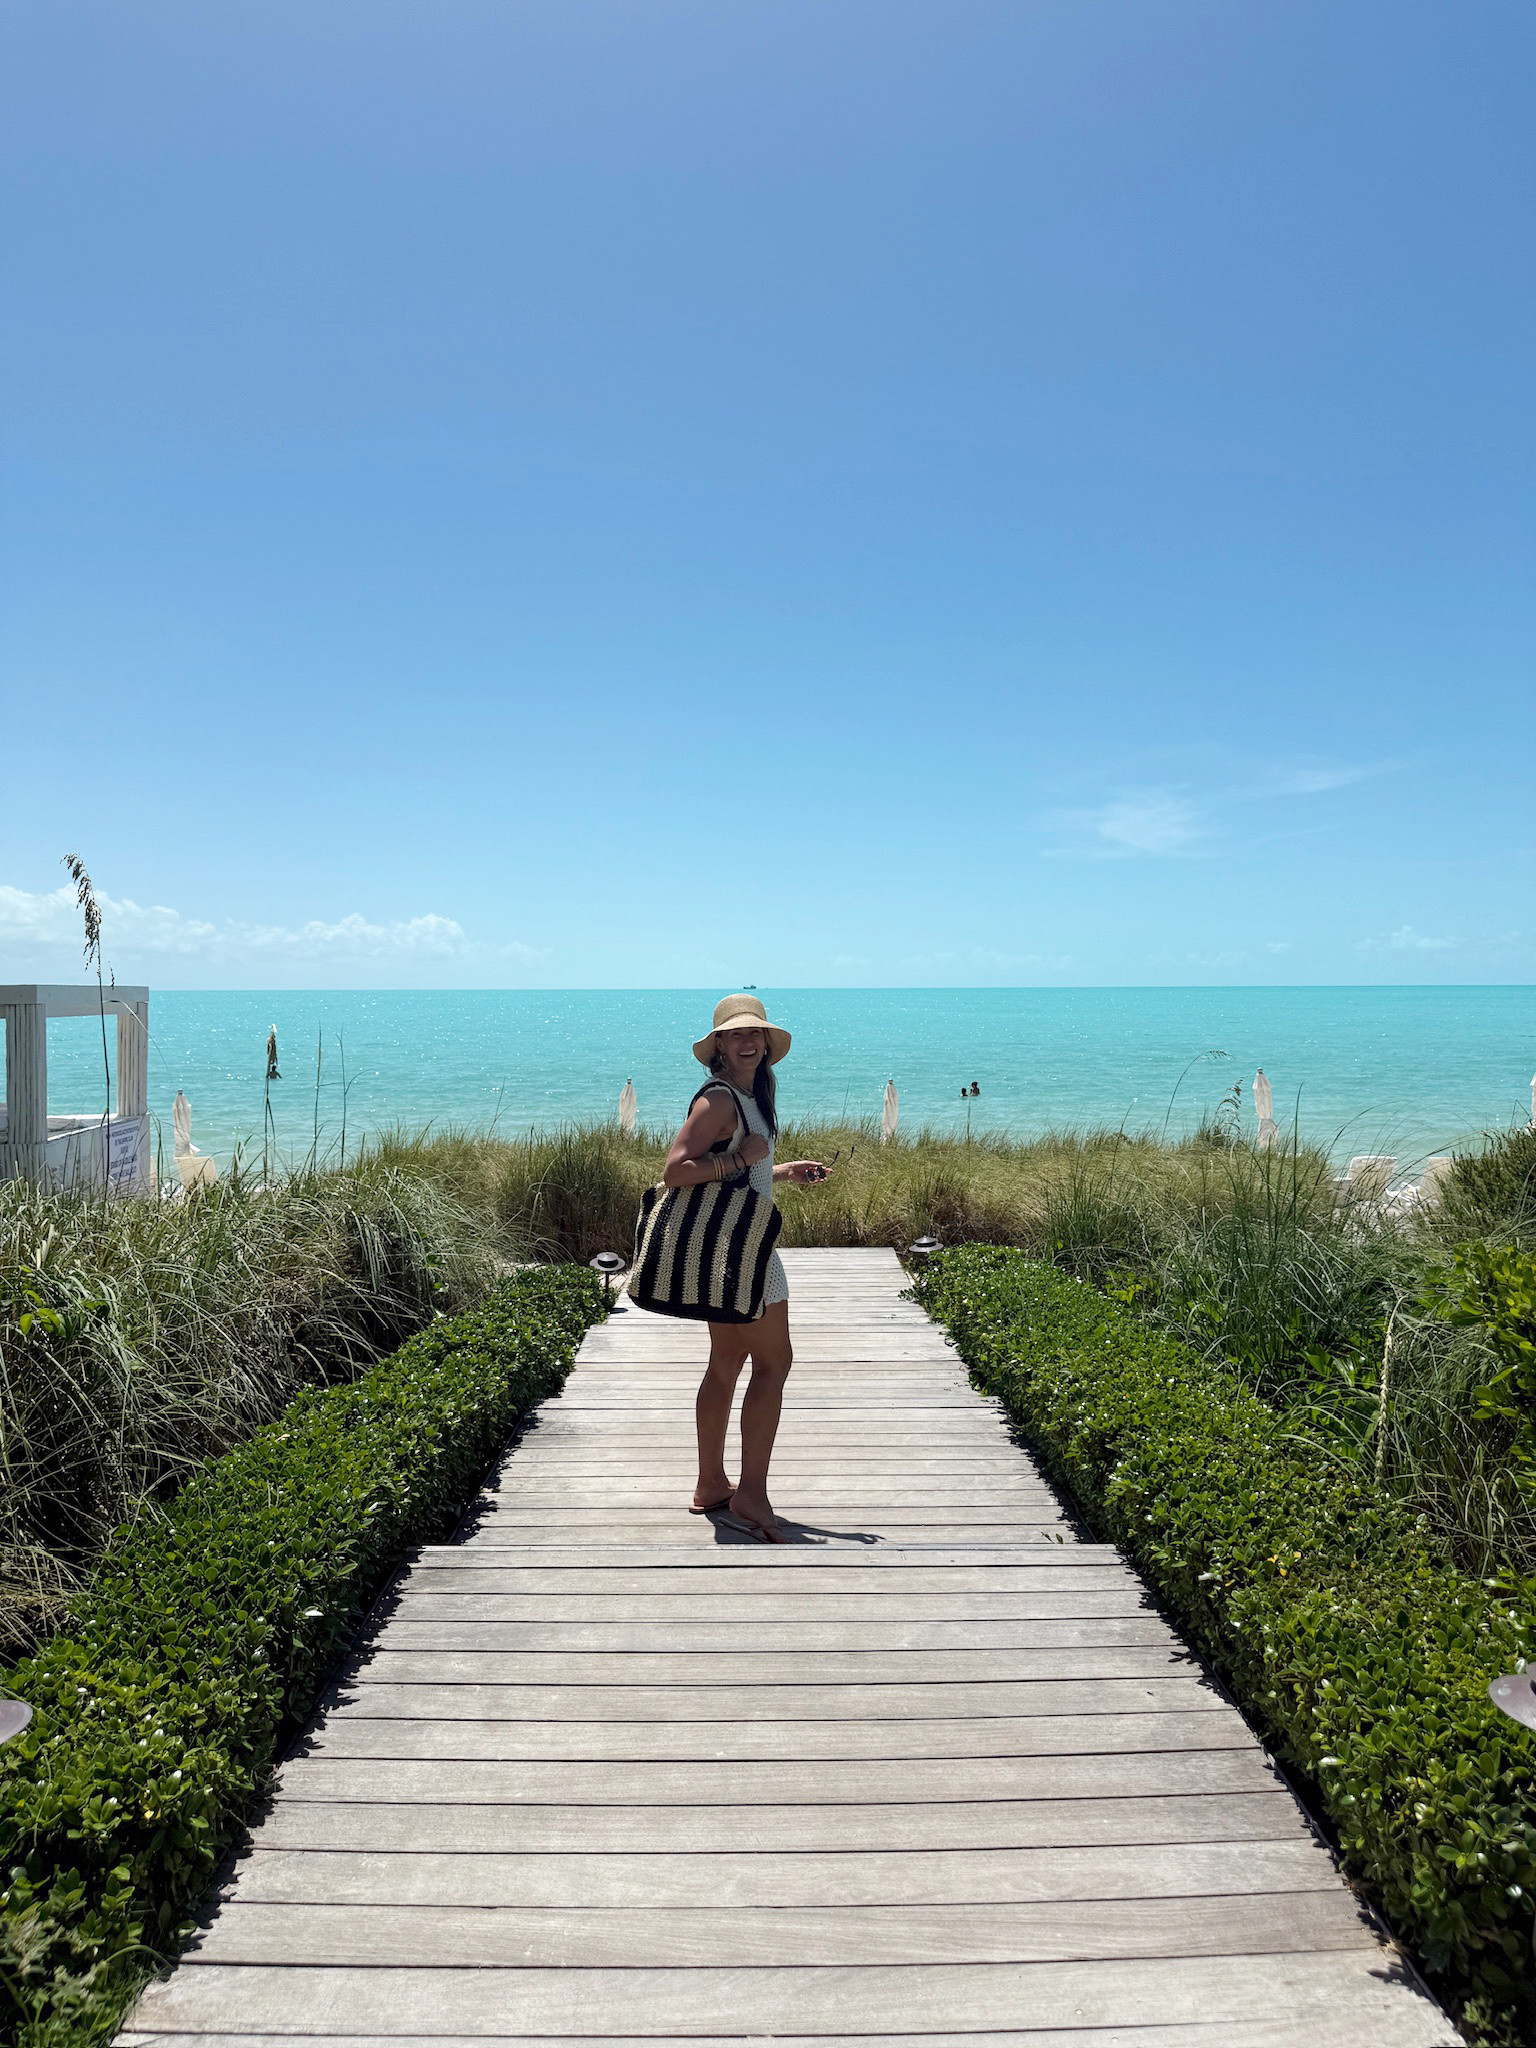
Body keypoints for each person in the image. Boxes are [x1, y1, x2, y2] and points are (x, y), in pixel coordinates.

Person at [663, 994, 828, 1542]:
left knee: (726, 1363)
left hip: (728, 1252)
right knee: (774, 1365)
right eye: (736, 1036)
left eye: (755, 1034)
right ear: (718, 1047)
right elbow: (677, 1170)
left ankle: (712, 1483)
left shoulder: (749, 1096)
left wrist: (780, 1170)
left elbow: (743, 1165)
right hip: (745, 1254)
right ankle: (751, 1494)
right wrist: (743, 1159)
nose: (749, 1042)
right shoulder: (719, 1099)